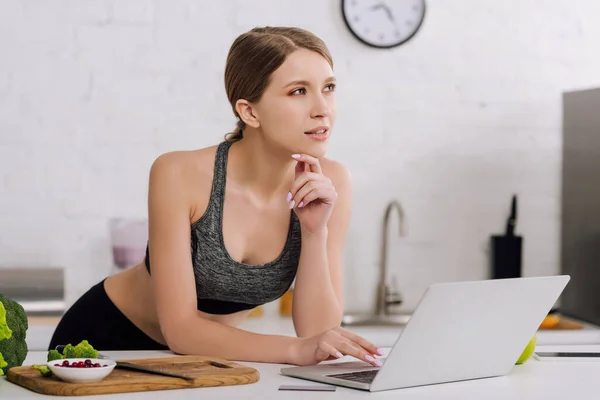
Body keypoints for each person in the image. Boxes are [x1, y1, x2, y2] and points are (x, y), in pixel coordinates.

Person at [49, 26, 383, 368]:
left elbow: (318, 333)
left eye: (328, 88)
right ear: (249, 112)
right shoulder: (179, 174)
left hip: (203, 361)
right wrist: (297, 350)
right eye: (299, 91)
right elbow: (181, 331)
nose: (322, 108)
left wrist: (314, 233)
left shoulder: (331, 182)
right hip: (104, 342)